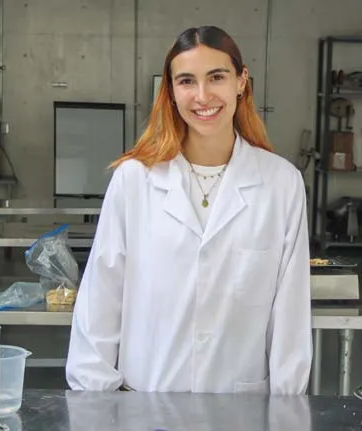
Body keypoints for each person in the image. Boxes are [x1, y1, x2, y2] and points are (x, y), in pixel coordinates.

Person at [65, 25, 311, 394]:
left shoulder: (281, 183)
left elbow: (290, 315)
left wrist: (285, 411)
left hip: (241, 410)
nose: (202, 96)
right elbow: (101, 296)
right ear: (171, 91)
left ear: (242, 82)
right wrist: (96, 402)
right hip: (145, 402)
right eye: (186, 81)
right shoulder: (135, 179)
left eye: (217, 77)